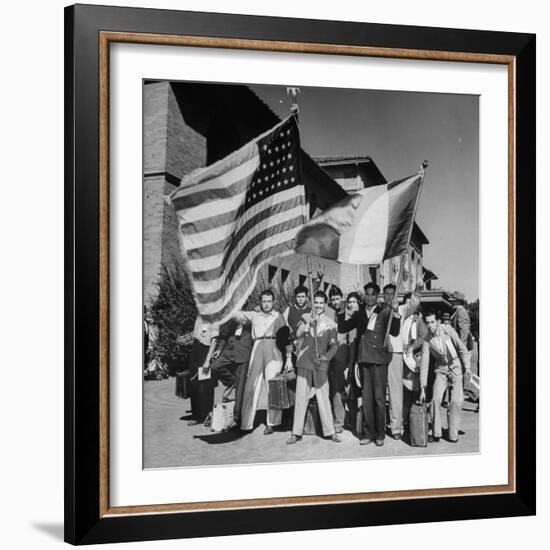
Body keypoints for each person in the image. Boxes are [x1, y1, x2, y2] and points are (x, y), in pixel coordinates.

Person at [338, 282, 401, 446]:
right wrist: (340, 309)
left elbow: (395, 331)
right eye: (368, 294)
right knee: (366, 398)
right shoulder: (359, 314)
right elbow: (343, 327)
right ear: (364, 296)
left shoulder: (384, 311)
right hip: (364, 359)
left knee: (379, 399)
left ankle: (380, 434)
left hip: (380, 360)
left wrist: (395, 311)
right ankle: (367, 433)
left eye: (374, 294)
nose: (371, 297)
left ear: (377, 296)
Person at [235, 290, 292, 434]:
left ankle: (272, 423)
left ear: (274, 302)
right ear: (260, 302)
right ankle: (246, 424)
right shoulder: (254, 315)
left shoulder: (278, 317)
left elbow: (286, 338)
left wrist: (289, 358)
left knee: (273, 385)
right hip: (258, 347)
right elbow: (236, 315)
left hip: (274, 348)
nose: (266, 304)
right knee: (251, 385)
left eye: (269, 301)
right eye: (264, 301)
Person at [287, 291, 340, 444]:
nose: (318, 305)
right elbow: (297, 335)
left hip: (320, 364)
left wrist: (326, 357)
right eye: (315, 302)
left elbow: (334, 346)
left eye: (321, 303)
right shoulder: (306, 317)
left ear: (325, 304)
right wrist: (307, 326)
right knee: (301, 397)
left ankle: (330, 431)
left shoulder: (330, 323)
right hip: (304, 362)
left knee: (324, 397)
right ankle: (296, 432)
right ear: (312, 303)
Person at [421, 311, 471, 443]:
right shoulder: (427, 340)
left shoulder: (448, 330)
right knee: (435, 399)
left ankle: (453, 434)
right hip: (441, 370)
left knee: (456, 401)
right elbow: (424, 364)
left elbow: (461, 349)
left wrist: (467, 367)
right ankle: (436, 433)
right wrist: (422, 387)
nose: (430, 325)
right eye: (427, 323)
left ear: (438, 322)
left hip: (455, 367)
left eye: (432, 322)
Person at [383, 282, 422, 440]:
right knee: (379, 393)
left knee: (395, 392)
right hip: (378, 354)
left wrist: (417, 290)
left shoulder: (401, 309)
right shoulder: (379, 310)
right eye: (387, 294)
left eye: (393, 294)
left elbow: (413, 303)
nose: (389, 297)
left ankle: (396, 427)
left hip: (395, 354)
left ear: (396, 296)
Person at [209, 319, 253, 428]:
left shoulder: (250, 311)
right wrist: (219, 349)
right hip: (228, 352)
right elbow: (224, 335)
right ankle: (231, 381)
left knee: (240, 388)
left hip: (243, 353)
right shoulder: (230, 315)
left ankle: (237, 419)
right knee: (214, 367)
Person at [327, 287, 352, 433]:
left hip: (343, 357)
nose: (336, 301)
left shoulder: (349, 313)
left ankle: (341, 421)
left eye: (338, 298)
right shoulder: (329, 312)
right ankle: (336, 419)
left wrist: (350, 362)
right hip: (329, 356)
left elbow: (351, 338)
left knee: (341, 389)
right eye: (333, 299)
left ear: (342, 297)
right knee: (333, 389)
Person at [187, 315, 219, 426]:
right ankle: (196, 416)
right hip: (195, 349)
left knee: (205, 385)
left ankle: (207, 416)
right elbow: (197, 333)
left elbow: (214, 341)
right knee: (194, 384)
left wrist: (207, 360)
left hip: (205, 351)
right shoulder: (199, 315)